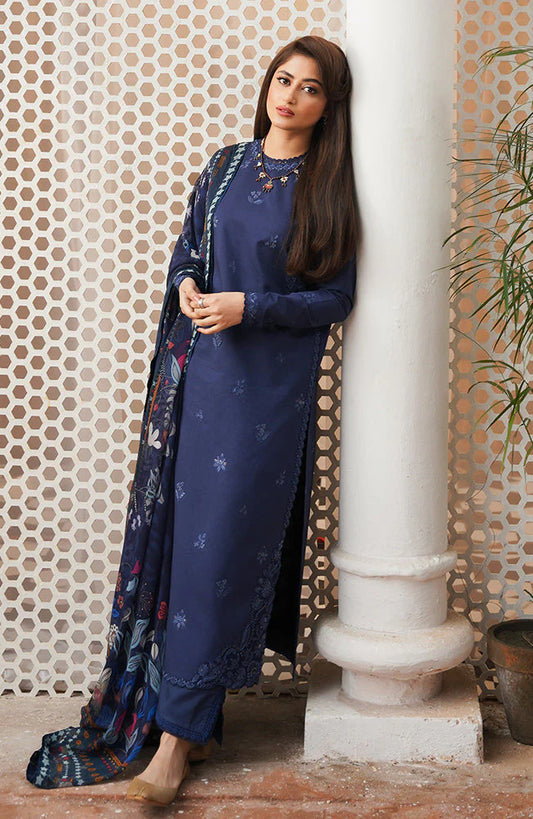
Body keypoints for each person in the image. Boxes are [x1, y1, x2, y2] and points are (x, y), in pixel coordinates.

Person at [26, 34, 358, 806]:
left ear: (327, 105)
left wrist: (249, 306)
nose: (290, 96)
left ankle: (173, 746)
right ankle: (190, 722)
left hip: (264, 402)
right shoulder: (225, 166)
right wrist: (185, 285)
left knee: (221, 558)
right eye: (283, 80)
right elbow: (187, 252)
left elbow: (334, 298)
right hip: (194, 383)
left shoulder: (328, 187)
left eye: (310, 88)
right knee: (181, 559)